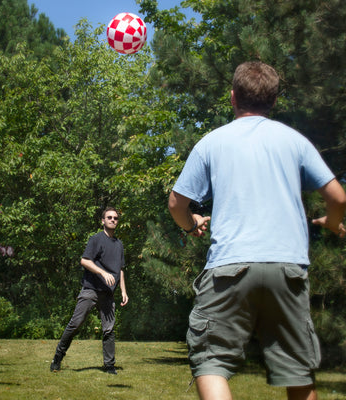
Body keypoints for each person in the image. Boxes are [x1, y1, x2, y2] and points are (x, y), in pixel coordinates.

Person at [168, 61, 346, 400]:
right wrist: (333, 223)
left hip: (229, 267)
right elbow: (337, 197)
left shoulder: (212, 142)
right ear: (274, 101)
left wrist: (191, 225)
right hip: (287, 268)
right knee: (298, 371)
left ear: (232, 97)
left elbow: (177, 203)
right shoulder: (295, 141)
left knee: (210, 360)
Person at [50, 207, 128, 375]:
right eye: (109, 217)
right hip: (91, 290)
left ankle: (109, 365)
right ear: (103, 221)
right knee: (75, 324)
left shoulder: (119, 244)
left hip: (108, 294)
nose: (113, 220)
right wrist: (103, 273)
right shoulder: (96, 239)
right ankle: (58, 357)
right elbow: (84, 261)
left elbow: (121, 269)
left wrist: (123, 290)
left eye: (115, 218)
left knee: (109, 330)